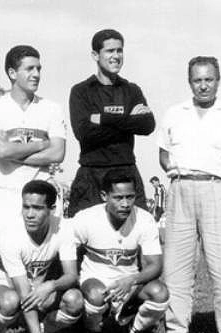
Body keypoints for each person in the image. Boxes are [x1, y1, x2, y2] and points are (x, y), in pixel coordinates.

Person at [158, 56, 221, 333]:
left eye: (208, 79)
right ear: (190, 82)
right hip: (181, 190)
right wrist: (177, 173)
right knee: (176, 266)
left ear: (218, 81)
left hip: (216, 190)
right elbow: (163, 154)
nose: (203, 86)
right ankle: (175, 329)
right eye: (197, 80)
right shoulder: (175, 113)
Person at [70, 169, 170, 333]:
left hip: (129, 284)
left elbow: (155, 265)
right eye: (118, 198)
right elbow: (65, 251)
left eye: (130, 197)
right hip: (95, 282)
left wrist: (131, 280)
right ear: (104, 196)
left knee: (160, 292)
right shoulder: (86, 219)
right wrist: (73, 281)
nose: (125, 204)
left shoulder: (144, 219)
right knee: (95, 293)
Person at [0, 180, 81, 333]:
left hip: (41, 286)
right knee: (9, 301)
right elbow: (24, 294)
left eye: (37, 208)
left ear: (52, 209)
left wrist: (50, 286)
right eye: (26, 207)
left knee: (74, 300)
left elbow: (72, 275)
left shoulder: (64, 228)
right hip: (10, 286)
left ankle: (41, 330)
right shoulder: (10, 234)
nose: (30, 214)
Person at [68, 29, 154, 217]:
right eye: (110, 51)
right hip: (92, 174)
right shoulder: (81, 91)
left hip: (127, 172)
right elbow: (84, 133)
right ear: (95, 55)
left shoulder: (131, 90)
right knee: (82, 238)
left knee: (135, 237)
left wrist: (102, 119)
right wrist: (129, 120)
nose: (116, 56)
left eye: (119, 50)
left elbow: (147, 126)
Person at [0, 45, 66, 231]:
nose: (36, 74)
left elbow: (58, 153)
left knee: (45, 257)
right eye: (29, 69)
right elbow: (2, 151)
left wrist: (13, 153)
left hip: (42, 196)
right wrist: (42, 144)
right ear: (12, 73)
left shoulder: (52, 108)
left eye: (38, 69)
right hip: (5, 194)